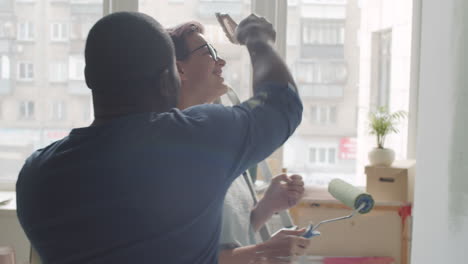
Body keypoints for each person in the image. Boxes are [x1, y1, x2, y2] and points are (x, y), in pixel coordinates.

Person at [16, 11, 303, 264]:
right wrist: (257, 37)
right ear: (170, 77)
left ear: (89, 76)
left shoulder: (35, 175)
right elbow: (282, 104)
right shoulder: (196, 142)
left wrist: (264, 209)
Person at [168, 22, 310, 264]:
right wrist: (262, 251)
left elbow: (223, 238)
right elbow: (176, 254)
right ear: (179, 69)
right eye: (209, 53)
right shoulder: (171, 150)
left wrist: (265, 208)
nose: (221, 62)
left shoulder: (218, 145)